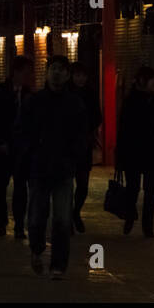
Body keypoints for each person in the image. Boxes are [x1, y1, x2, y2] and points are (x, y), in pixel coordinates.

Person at [23, 56, 90, 278]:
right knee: (36, 217)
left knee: (62, 219)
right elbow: (22, 132)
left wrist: (75, 157)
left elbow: (82, 135)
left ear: (68, 75)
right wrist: (27, 156)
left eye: (62, 70)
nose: (57, 73)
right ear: (47, 72)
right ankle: (37, 249)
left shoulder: (75, 104)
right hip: (39, 168)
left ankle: (58, 266)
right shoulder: (35, 101)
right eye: (54, 69)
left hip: (63, 169)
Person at [115, 66, 154, 238]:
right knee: (132, 189)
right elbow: (122, 129)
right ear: (143, 81)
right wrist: (119, 156)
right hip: (132, 151)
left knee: (151, 191)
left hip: (151, 150)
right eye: (152, 79)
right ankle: (130, 215)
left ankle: (147, 226)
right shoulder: (130, 101)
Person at [0, 57, 32, 238]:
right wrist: (0, 142)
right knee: (0, 187)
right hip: (2, 148)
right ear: (16, 72)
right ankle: (2, 221)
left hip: (21, 149)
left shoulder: (29, 94)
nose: (28, 77)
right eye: (25, 73)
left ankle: (19, 225)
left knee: (21, 188)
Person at [69, 61, 103, 233]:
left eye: (83, 75)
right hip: (67, 146)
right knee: (67, 183)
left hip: (83, 144)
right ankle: (68, 216)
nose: (80, 79)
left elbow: (98, 116)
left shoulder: (90, 94)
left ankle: (75, 212)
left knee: (82, 184)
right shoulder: (65, 94)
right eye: (77, 75)